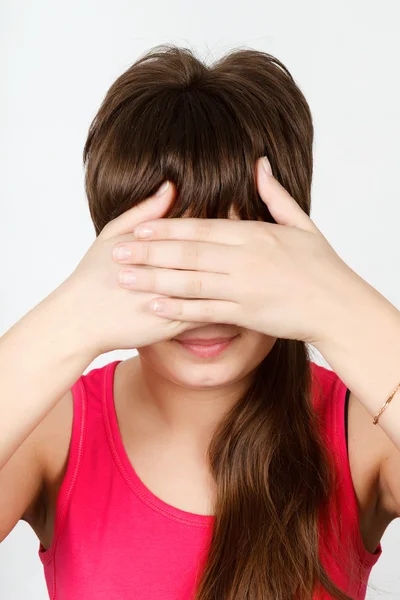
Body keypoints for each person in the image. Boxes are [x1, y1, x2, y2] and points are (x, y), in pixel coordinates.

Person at [1, 44, 400, 600]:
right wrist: (68, 319)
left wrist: (338, 305)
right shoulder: (55, 429)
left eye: (233, 260)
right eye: (172, 260)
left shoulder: (364, 429)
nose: (204, 302)